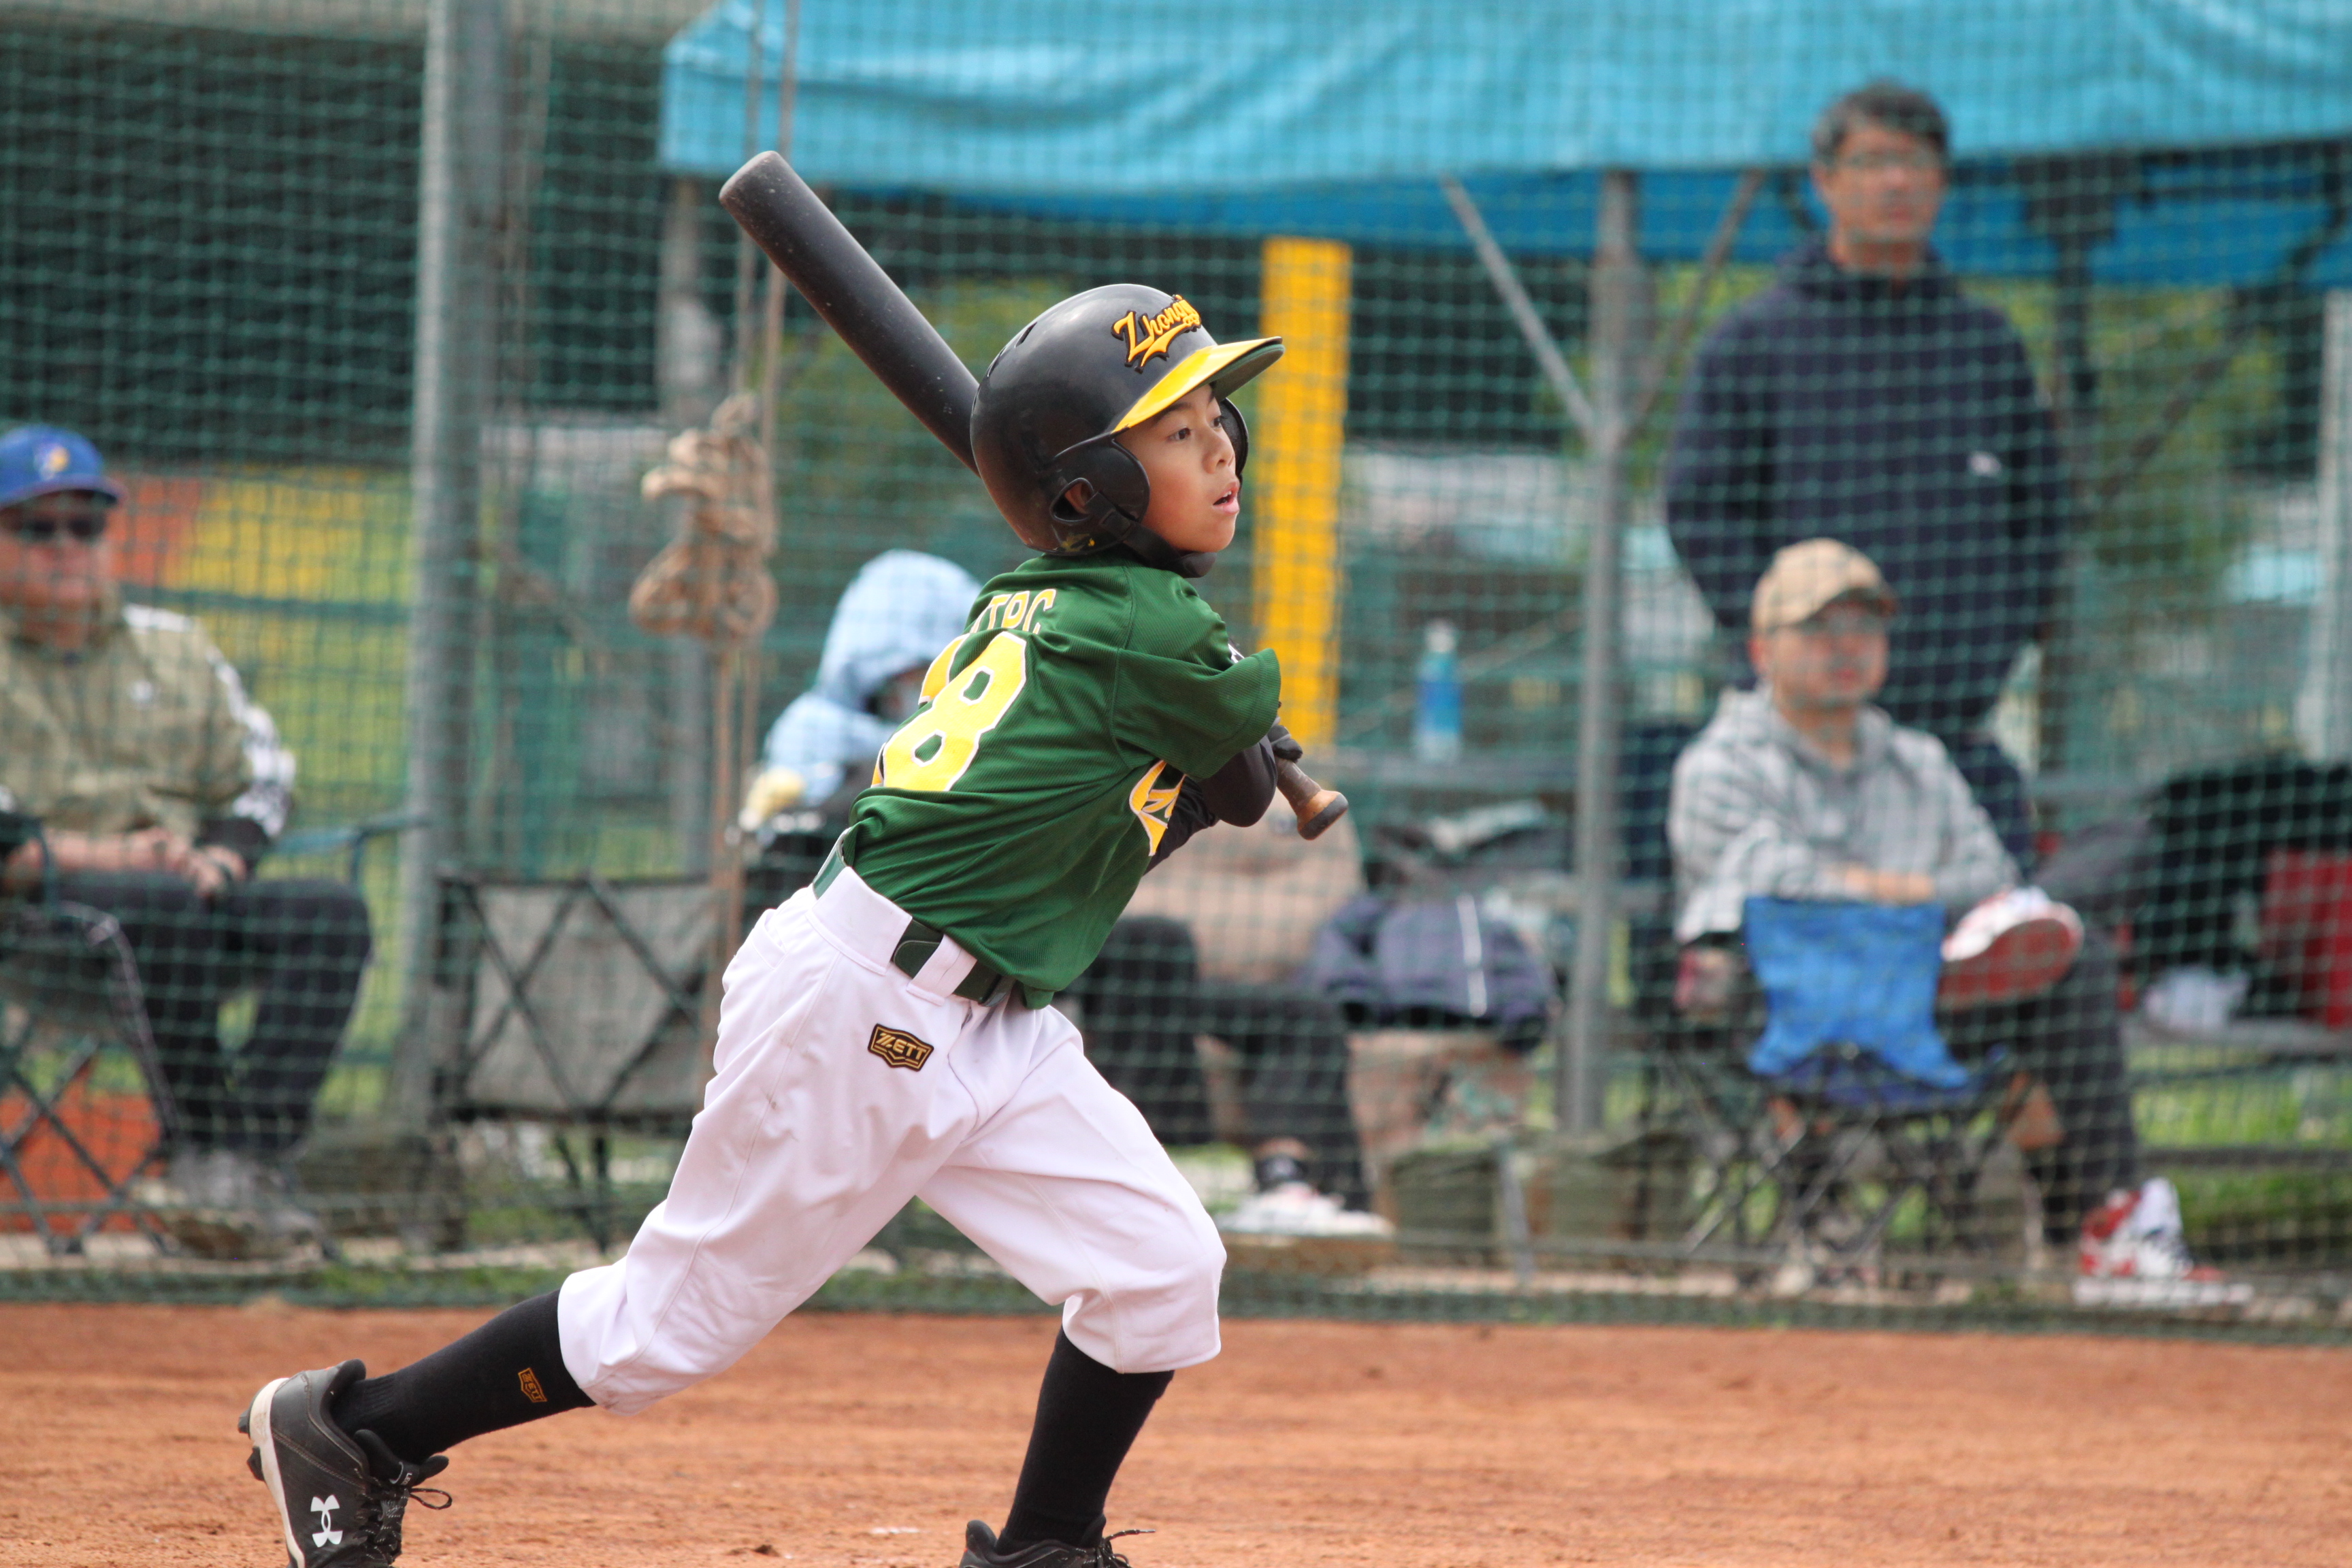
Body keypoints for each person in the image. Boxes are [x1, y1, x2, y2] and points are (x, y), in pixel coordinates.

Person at [240, 285, 1307, 1568]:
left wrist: (1219, 738)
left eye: (1215, 417)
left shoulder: (1041, 596)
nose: (1220, 449)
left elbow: (1162, 806)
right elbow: (1242, 793)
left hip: (986, 1012)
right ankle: (358, 1429)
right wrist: (1239, 734)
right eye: (1176, 433)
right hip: (868, 1011)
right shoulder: (1151, 624)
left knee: (1156, 1267)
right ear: (1088, 490)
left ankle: (1044, 1550)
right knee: (657, 1333)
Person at [1667, 540, 2215, 1288]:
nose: (1846, 647)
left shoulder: (1919, 760)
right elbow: (1777, 887)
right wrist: (1921, 899)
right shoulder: (1720, 764)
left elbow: (1987, 873)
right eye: (1819, 628)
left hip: (1931, 1001)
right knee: (2027, 933)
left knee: (2083, 932)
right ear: (1762, 651)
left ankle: (2106, 1232)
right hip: (1800, 1008)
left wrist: (1887, 896)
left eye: (1864, 627)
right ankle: (1835, 1214)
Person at [1664, 79, 2072, 866]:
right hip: (1799, 750)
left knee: (1999, 918)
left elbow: (2043, 515)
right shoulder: (1754, 342)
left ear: (1943, 182)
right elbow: (1699, 508)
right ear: (1825, 182)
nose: (1896, 183)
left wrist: (1996, 638)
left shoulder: (1986, 346)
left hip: (1953, 732)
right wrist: (1790, 637)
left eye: (1916, 163)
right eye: (1873, 162)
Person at [0, 425, 368, 1252]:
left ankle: (247, 1162)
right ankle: (199, 1151)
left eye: (85, 525)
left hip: (186, 897)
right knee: (157, 899)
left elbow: (263, 772)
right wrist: (113, 857)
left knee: (329, 912)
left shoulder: (177, 647)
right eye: (36, 528)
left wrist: (223, 855)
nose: (66, 547)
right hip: (38, 926)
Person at [740, 547, 982, 825]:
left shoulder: (974, 737)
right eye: (912, 674)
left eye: (932, 672)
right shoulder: (813, 727)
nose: (921, 687)